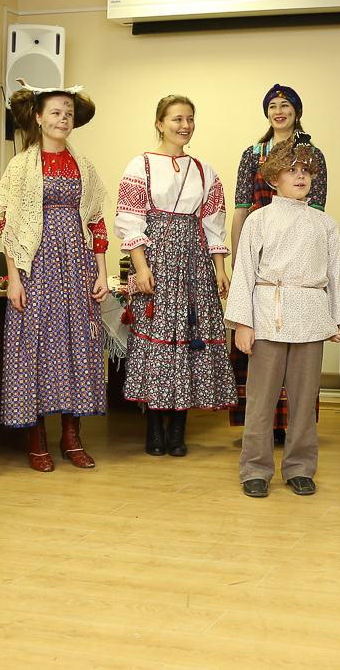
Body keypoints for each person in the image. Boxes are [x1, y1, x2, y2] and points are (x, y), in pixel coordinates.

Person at [227, 136, 340, 497]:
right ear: (274, 178)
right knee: (260, 401)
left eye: (306, 171)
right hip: (268, 316)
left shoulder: (325, 224)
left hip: (310, 316)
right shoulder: (258, 220)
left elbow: (335, 271)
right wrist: (243, 322)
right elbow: (244, 272)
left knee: (304, 402)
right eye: (291, 170)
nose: (301, 177)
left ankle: (300, 467)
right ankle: (255, 468)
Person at [0, 80, 109, 472]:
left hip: (77, 266)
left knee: (78, 344)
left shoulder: (84, 166)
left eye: (68, 113)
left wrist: (101, 273)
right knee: (38, 347)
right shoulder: (20, 166)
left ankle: (71, 436)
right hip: (36, 266)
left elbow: (95, 221)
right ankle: (36, 436)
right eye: (56, 112)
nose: (63, 119)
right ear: (39, 118)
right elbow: (7, 225)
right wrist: (14, 278)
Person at [115, 95, 237, 455]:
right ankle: (154, 428)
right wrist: (141, 268)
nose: (185, 126)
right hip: (155, 261)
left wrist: (220, 269)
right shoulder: (140, 165)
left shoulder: (204, 170)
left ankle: (178, 429)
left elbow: (213, 224)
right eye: (176, 119)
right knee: (157, 341)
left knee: (189, 338)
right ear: (160, 123)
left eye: (190, 119)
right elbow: (130, 219)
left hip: (194, 264)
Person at [227, 85, 329, 444]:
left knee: (302, 365)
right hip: (261, 248)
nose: (279, 110)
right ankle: (259, 433)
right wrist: (239, 263)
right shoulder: (251, 154)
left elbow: (316, 214)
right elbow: (241, 209)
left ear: (296, 111)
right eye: (272, 105)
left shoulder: (313, 155)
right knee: (259, 351)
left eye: (285, 105)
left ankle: (292, 432)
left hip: (297, 260)